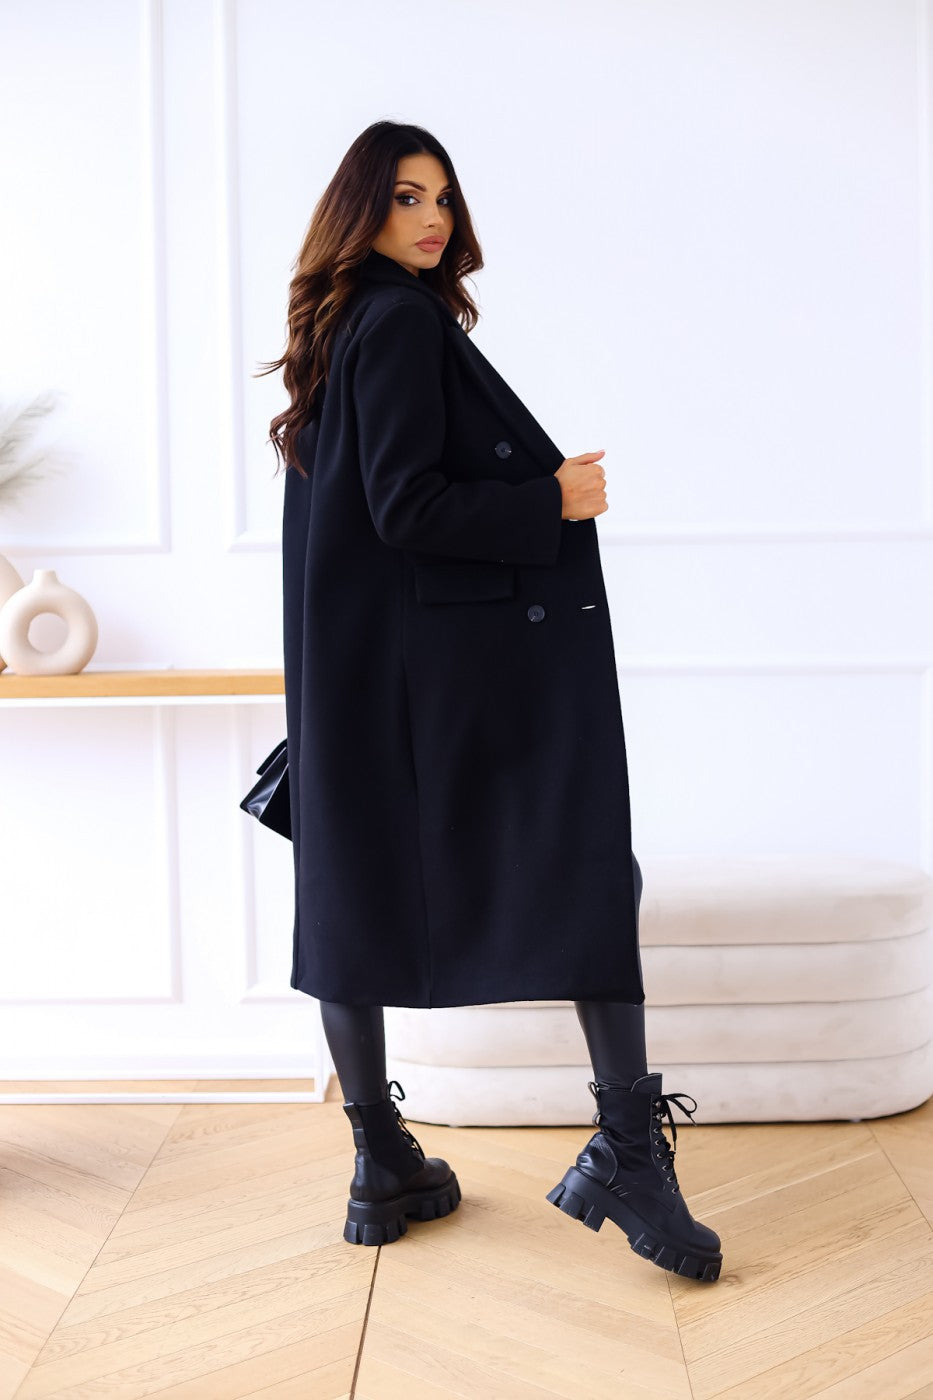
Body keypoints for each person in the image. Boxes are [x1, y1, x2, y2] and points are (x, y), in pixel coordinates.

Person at [259, 121, 722, 1281]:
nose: (433, 218)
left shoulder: (345, 325)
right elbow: (407, 506)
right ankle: (627, 1153)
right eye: (406, 197)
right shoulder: (399, 323)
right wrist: (549, 500)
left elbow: (358, 521)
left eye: (443, 198)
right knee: (588, 867)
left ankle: (381, 1162)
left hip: (361, 680)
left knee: (351, 898)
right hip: (437, 684)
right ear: (361, 210)